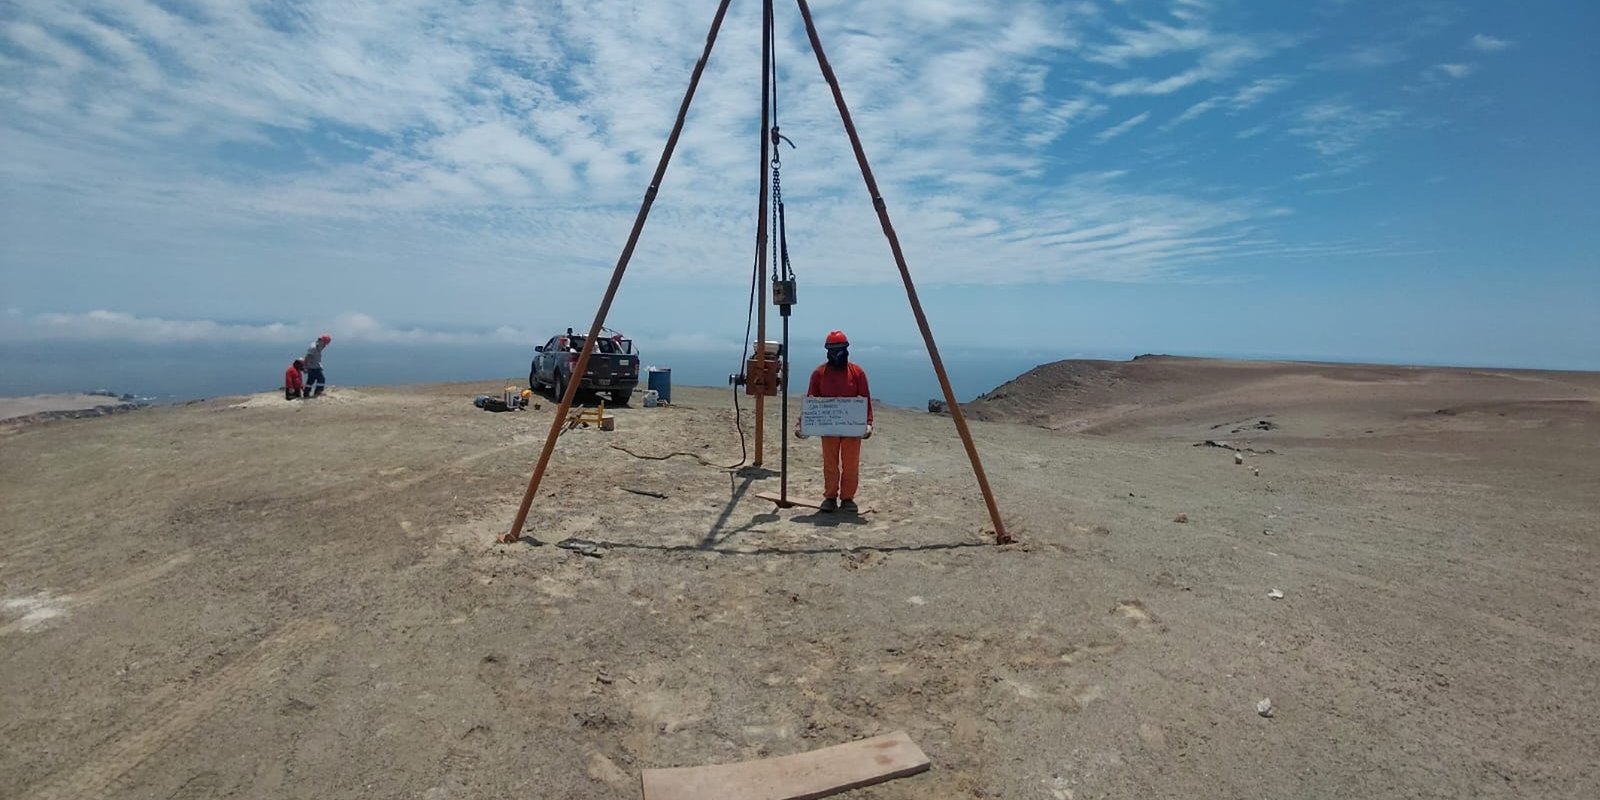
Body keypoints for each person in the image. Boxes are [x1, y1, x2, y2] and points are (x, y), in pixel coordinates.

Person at [795, 330, 872, 513]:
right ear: (827, 351)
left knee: (851, 465)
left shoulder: (857, 373)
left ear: (846, 349)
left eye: (840, 348)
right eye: (832, 349)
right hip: (828, 428)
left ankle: (847, 499)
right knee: (830, 464)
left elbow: (865, 399)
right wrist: (803, 425)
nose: (836, 353)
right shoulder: (819, 373)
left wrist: (868, 423)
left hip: (851, 430)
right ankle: (829, 497)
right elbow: (812, 401)